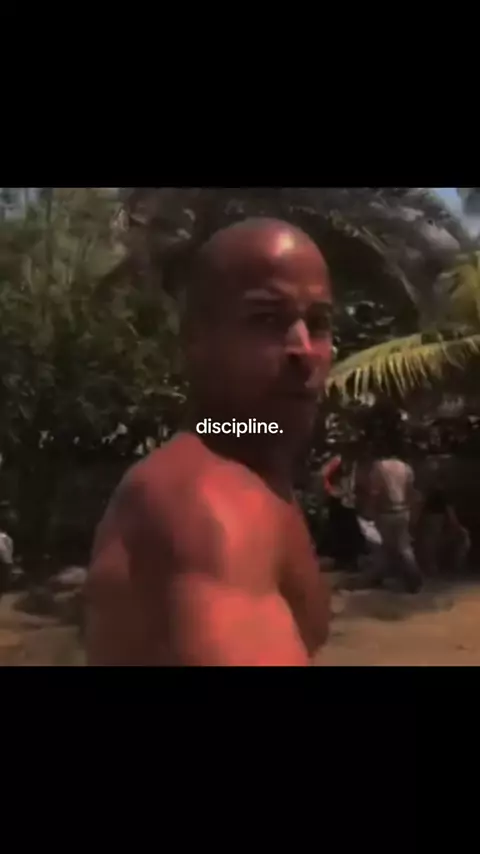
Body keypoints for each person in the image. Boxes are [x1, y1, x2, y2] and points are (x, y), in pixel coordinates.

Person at [86, 217, 333, 666]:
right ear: (195, 339)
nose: (305, 350)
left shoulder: (245, 453)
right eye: (266, 319)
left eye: (318, 323)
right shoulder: (207, 504)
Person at [366, 436, 423, 593]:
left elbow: (375, 491)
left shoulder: (379, 467)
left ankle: (384, 577)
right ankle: (412, 580)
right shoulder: (406, 467)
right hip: (403, 511)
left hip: (385, 512)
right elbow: (411, 491)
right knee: (403, 546)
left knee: (386, 546)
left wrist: (370, 510)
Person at [320, 444, 366, 570]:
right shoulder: (338, 460)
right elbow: (323, 474)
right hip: (339, 499)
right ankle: (343, 560)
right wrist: (331, 490)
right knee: (340, 530)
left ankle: (350, 560)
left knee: (350, 531)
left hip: (348, 500)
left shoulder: (354, 462)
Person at [416, 484, 470, 577]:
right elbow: (452, 518)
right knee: (463, 537)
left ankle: (434, 568)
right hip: (438, 530)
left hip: (434, 530)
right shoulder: (444, 496)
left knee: (430, 542)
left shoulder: (431, 497)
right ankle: (455, 566)